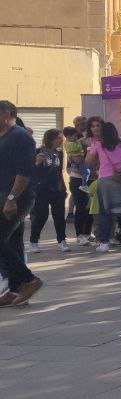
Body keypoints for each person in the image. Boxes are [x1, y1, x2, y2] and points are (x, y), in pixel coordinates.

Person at [0, 101, 42, 307]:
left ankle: (28, 280)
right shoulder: (4, 136)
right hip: (4, 196)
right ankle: (15, 288)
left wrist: (11, 199)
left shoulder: (19, 137)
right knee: (12, 241)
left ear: (6, 114)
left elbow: (24, 172)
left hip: (16, 198)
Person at [86, 121, 121, 253]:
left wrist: (91, 150)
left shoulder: (98, 145)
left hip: (106, 180)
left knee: (105, 212)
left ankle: (104, 243)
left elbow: (88, 162)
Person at [28, 128, 70, 254]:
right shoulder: (38, 152)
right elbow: (30, 171)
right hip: (42, 189)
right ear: (50, 139)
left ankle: (62, 241)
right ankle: (33, 241)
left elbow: (59, 172)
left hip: (57, 189)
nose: (61, 140)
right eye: (58, 138)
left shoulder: (60, 153)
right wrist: (37, 162)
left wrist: (64, 187)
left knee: (59, 216)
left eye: (61, 138)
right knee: (41, 215)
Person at [64, 125, 91, 245]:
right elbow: (76, 160)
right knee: (81, 207)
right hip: (77, 179)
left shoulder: (80, 142)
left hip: (90, 178)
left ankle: (87, 233)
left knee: (89, 207)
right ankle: (80, 235)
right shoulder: (74, 144)